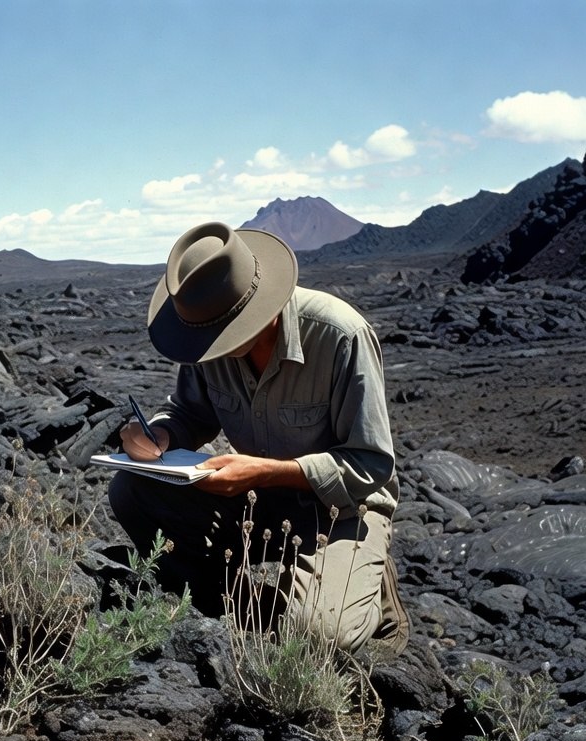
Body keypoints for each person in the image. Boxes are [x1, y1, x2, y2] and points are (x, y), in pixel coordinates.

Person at [108, 221, 407, 654]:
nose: (214, 347)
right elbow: (190, 413)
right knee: (131, 490)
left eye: (225, 334)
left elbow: (372, 465)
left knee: (320, 636)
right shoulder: (206, 337)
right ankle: (238, 603)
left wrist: (263, 473)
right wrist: (159, 434)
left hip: (342, 508)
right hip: (255, 499)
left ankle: (365, 580)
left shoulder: (341, 337)